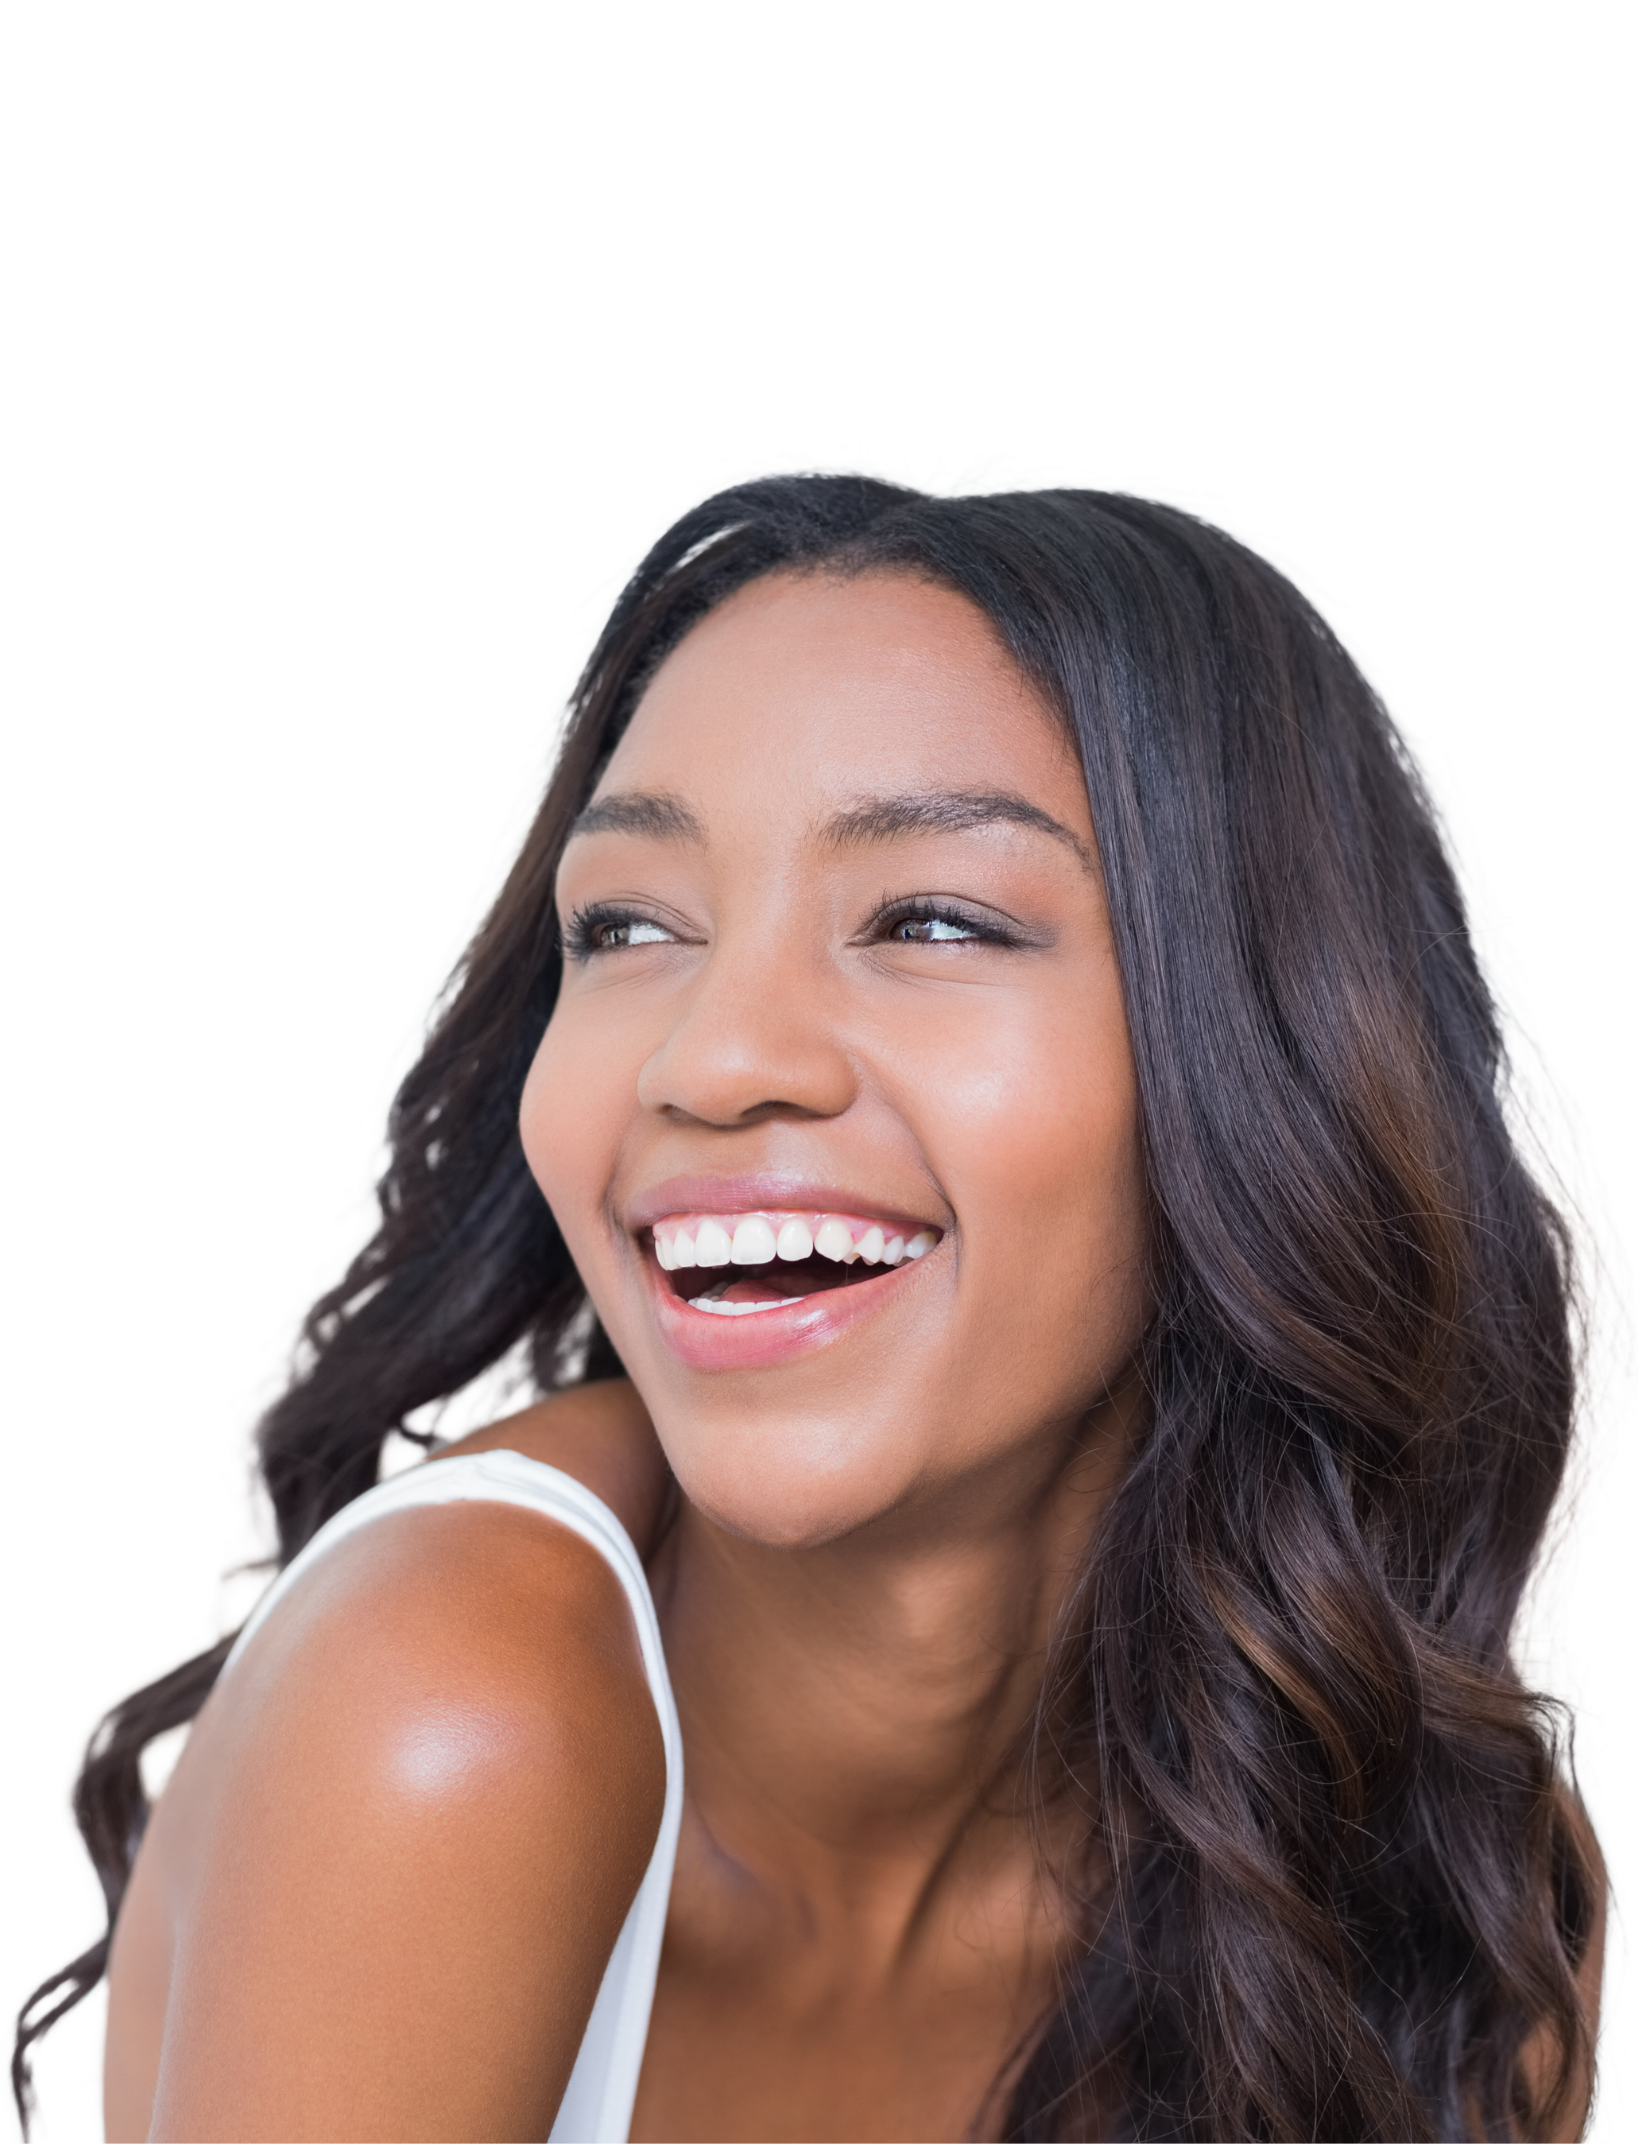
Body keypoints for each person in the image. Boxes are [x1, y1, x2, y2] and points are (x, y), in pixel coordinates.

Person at [5, 450, 1628, 2142]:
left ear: (1271, 1058)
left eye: (931, 919)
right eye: (627, 926)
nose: (712, 1060)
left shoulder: (1431, 1876)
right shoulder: (450, 1710)